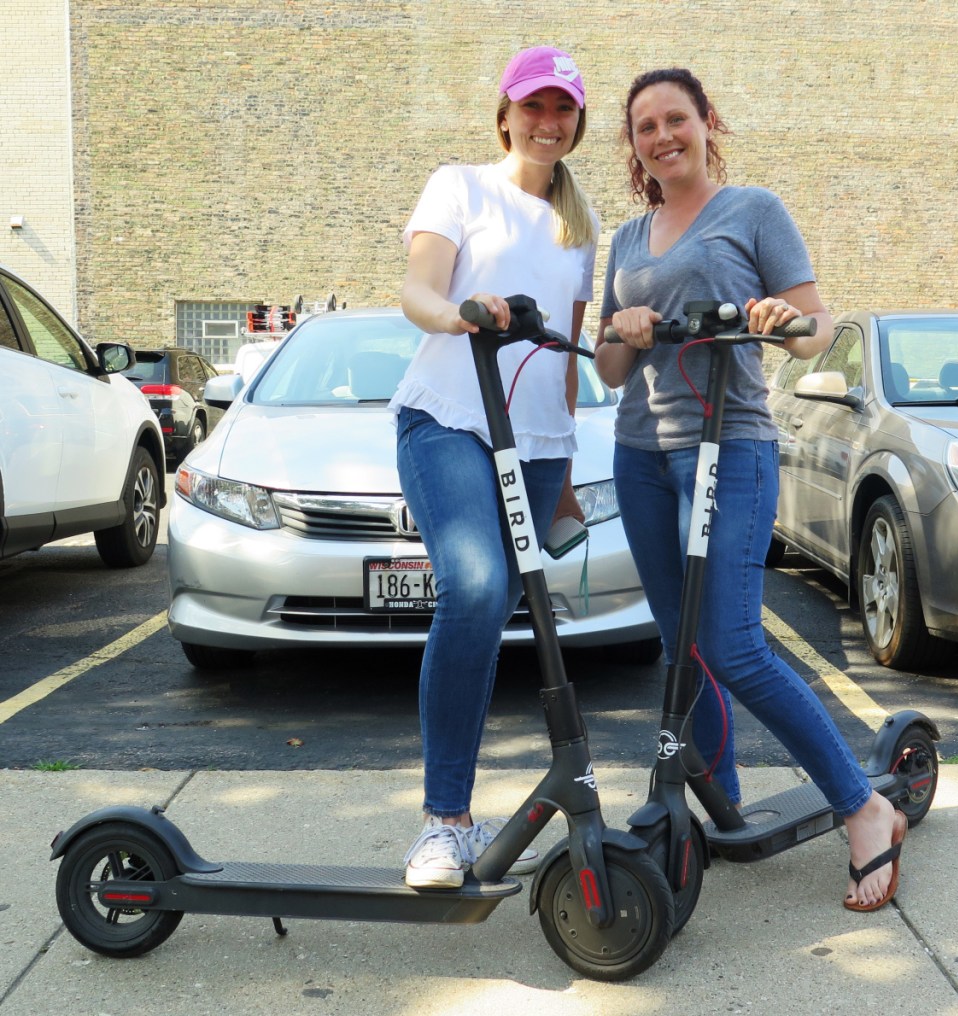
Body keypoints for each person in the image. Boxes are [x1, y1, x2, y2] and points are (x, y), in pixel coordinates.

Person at [595, 67, 906, 912]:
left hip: (730, 447)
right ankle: (716, 796)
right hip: (643, 455)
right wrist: (619, 331)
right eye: (645, 126)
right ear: (633, 143)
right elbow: (610, 367)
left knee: (731, 645)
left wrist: (777, 317)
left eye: (676, 120)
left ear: (706, 124)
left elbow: (815, 331)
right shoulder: (625, 238)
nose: (662, 136)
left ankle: (864, 805)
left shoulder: (754, 211)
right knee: (679, 648)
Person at [390, 46, 598, 889]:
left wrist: (572, 465)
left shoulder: (582, 229)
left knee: (517, 612)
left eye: (564, 109)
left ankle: (555, 795)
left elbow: (567, 362)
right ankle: (446, 822)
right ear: (504, 113)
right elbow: (416, 290)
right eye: (534, 105)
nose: (548, 122)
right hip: (447, 417)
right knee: (474, 590)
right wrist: (461, 314)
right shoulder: (460, 185)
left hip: (538, 444)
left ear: (577, 121)